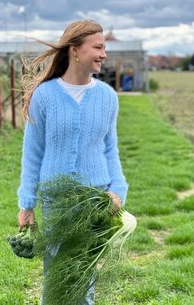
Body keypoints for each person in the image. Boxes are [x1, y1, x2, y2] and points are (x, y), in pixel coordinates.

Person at [17, 19, 129, 305]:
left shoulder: (107, 97)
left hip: (96, 199)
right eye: (98, 47)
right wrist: (27, 203)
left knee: (83, 276)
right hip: (57, 200)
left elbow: (110, 149)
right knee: (56, 276)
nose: (104, 54)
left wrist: (117, 190)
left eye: (104, 47)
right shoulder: (45, 96)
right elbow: (33, 153)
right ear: (75, 50)